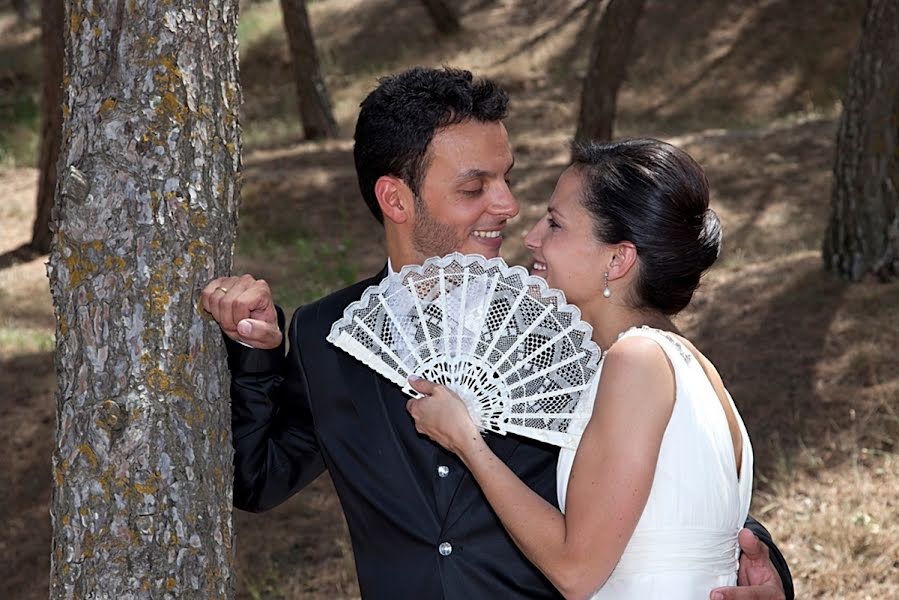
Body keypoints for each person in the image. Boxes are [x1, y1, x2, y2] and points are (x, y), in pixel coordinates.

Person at [202, 67, 793, 599]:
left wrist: (755, 568)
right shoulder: (325, 334)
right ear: (396, 199)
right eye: (473, 187)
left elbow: (671, 478)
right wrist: (257, 356)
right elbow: (257, 479)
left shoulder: (560, 322)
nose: (508, 206)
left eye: (505, 178)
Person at [406, 138, 768, 598]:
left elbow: (575, 572)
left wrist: (466, 442)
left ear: (617, 259)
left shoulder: (635, 362)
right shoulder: (695, 365)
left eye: (555, 224)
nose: (532, 236)